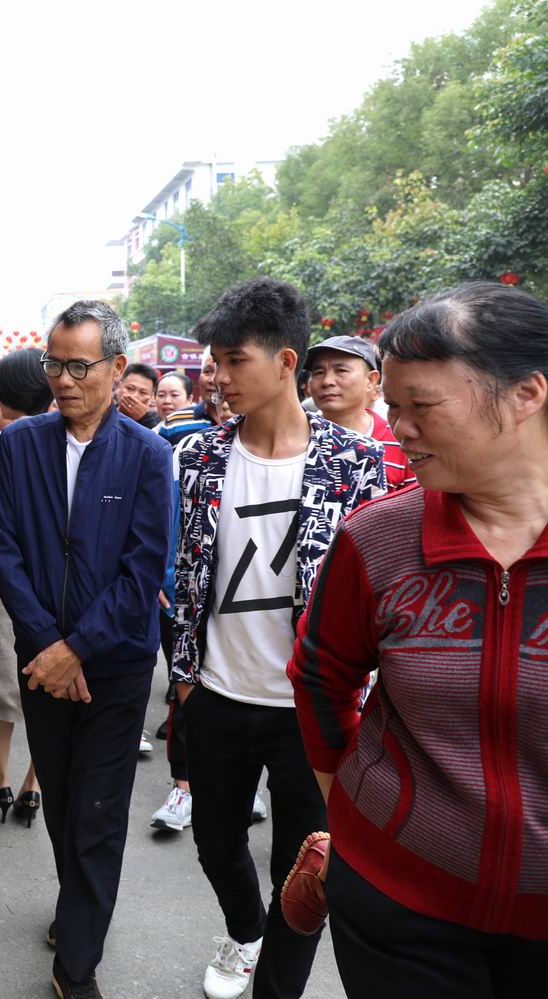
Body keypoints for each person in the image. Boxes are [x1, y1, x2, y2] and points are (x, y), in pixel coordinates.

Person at [287, 283, 548, 997]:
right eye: (393, 407)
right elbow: (319, 674)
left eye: (421, 406)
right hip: (397, 904)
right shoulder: (379, 539)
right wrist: (359, 805)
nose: (398, 427)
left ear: (526, 393)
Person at [170, 278, 388, 999]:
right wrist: (184, 676)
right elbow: (190, 572)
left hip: (312, 709)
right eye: (215, 360)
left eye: (233, 360)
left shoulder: (354, 464)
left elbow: (371, 590)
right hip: (219, 696)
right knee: (213, 841)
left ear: (285, 359)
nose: (218, 376)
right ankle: (244, 931)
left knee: (304, 871)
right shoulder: (200, 457)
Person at [0, 301, 173, 999]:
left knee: (98, 812)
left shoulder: (149, 455)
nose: (62, 379)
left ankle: (77, 967)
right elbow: (4, 549)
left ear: (116, 368)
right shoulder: (21, 444)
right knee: (64, 804)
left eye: (78, 365)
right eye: (53, 364)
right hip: (43, 663)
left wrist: (80, 648)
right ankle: (78, 910)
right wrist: (48, 646)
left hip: (118, 666)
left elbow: (143, 568)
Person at [0, 349, 52, 827]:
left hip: (6, 579)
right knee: (47, 681)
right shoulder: (64, 438)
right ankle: (34, 784)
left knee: (2, 675)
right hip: (54, 579)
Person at [303, 334, 414, 489]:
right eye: (318, 372)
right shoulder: (297, 440)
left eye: (341, 370)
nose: (327, 381)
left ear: (371, 381)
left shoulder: (401, 441)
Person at [116, 362, 161, 429]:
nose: (134, 396)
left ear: (151, 397)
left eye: (143, 392)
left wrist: (144, 418)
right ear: (119, 386)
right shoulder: (102, 413)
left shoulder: (158, 421)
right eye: (130, 388)